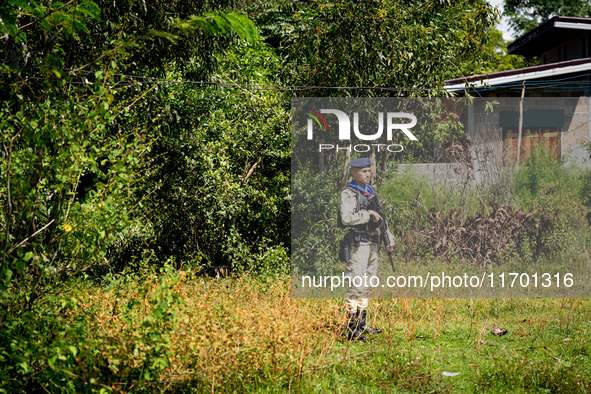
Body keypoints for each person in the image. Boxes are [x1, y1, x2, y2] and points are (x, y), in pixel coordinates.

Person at [338, 158, 395, 342]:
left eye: (369, 171)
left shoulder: (370, 192)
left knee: (367, 285)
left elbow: (382, 217)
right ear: (354, 173)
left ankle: (362, 324)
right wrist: (367, 215)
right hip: (358, 244)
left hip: (373, 244)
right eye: (363, 171)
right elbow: (346, 218)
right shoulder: (348, 193)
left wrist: (388, 237)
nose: (368, 174)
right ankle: (351, 328)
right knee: (356, 286)